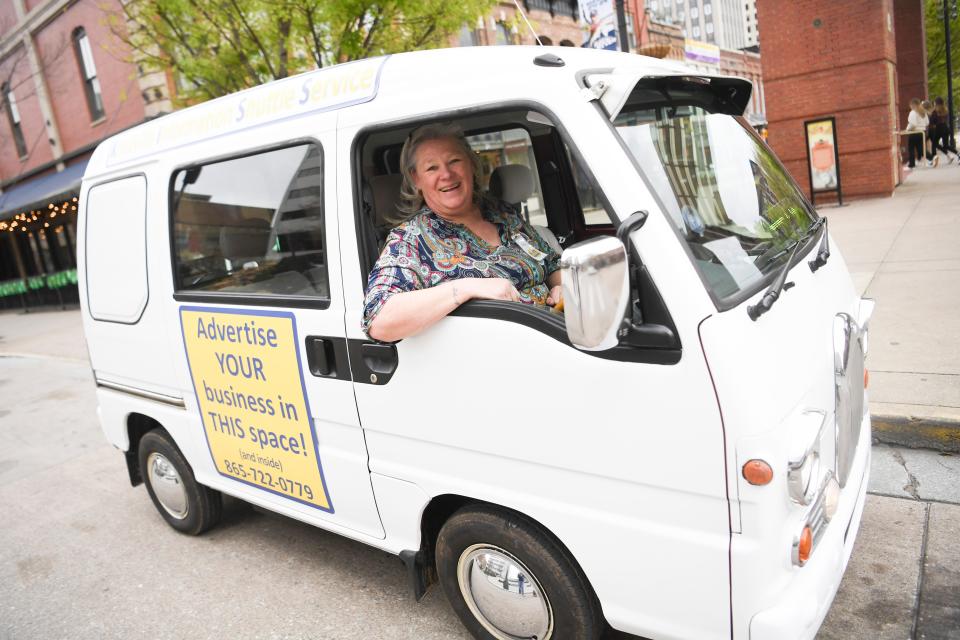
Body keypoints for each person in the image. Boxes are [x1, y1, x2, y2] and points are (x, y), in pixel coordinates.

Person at [363, 123, 562, 342]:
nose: (446, 174)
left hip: (556, 335)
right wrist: (465, 288)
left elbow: (551, 262)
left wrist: (562, 287)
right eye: (432, 168)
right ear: (416, 178)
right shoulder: (411, 239)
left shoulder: (501, 212)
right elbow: (378, 320)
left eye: (454, 161)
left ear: (471, 164)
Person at [929, 96, 959, 164]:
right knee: (946, 145)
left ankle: (934, 159)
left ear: (936, 103)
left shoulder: (935, 111)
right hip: (946, 128)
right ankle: (958, 153)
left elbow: (932, 122)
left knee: (934, 143)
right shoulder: (945, 110)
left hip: (939, 129)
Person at [905, 98, 932, 169]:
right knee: (921, 148)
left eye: (910, 105)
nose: (910, 106)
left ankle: (912, 164)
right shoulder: (923, 112)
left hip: (914, 132)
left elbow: (913, 124)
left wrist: (907, 129)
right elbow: (927, 123)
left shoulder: (913, 112)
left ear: (913, 105)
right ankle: (932, 157)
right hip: (922, 132)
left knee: (911, 148)